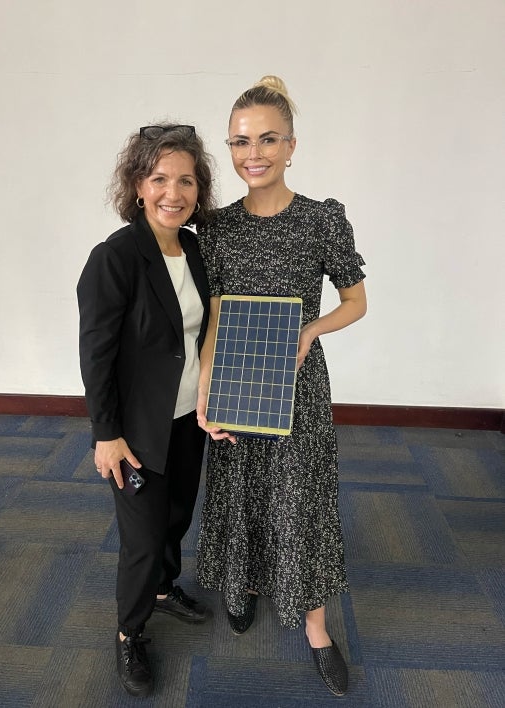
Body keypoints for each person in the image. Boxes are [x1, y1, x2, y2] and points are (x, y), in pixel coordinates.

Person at [196, 76, 367, 697]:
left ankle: (317, 627)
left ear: (292, 145)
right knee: (239, 485)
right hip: (237, 379)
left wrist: (307, 332)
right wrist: (206, 387)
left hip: (298, 383)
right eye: (241, 142)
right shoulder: (215, 228)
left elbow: (356, 302)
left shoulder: (322, 220)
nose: (254, 153)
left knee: (302, 497)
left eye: (268, 139)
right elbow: (215, 314)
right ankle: (241, 583)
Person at [77, 123, 216, 698]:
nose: (172, 192)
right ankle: (130, 632)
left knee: (178, 513)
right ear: (138, 185)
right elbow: (96, 354)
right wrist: (106, 434)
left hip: (187, 418)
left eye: (185, 180)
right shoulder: (115, 257)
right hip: (134, 430)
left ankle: (164, 588)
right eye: (159, 178)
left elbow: (202, 332)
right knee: (140, 535)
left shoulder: (195, 248)